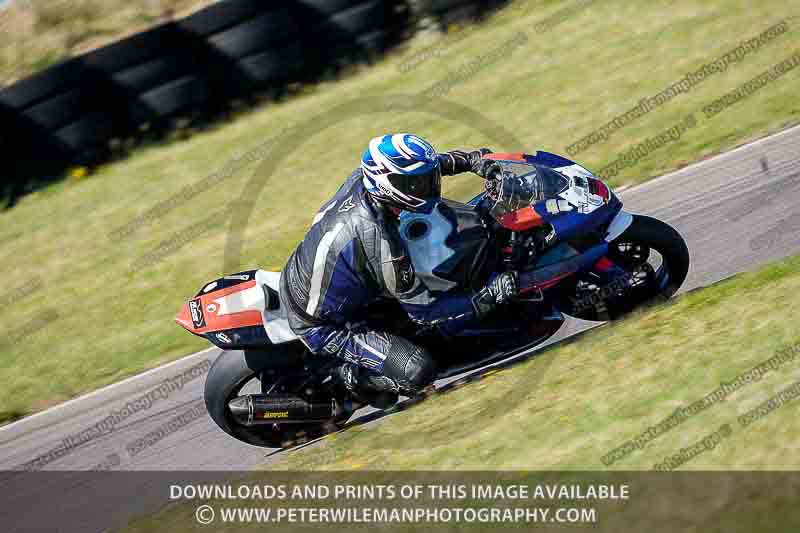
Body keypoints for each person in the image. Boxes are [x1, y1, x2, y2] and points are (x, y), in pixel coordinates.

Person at [279, 133, 518, 406]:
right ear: (390, 186)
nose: (428, 186)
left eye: (427, 179)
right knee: (419, 370)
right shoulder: (381, 242)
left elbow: (434, 164)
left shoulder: (366, 179)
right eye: (417, 183)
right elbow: (425, 312)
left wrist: (473, 160)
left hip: (317, 276)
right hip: (324, 325)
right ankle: (351, 378)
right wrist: (488, 296)